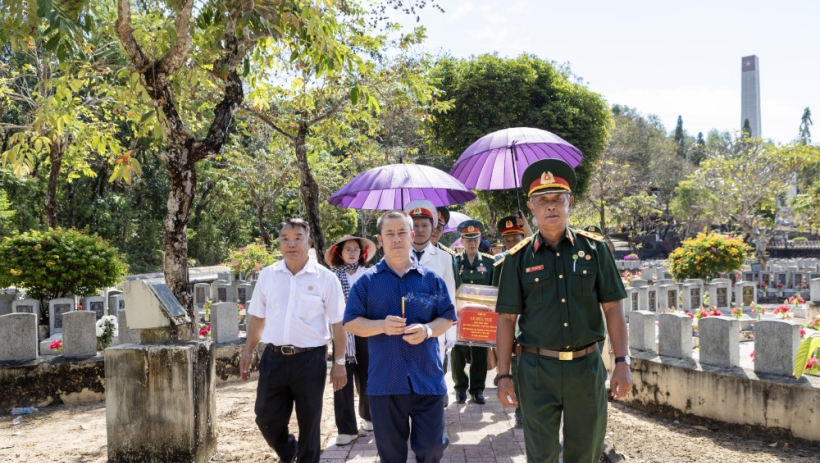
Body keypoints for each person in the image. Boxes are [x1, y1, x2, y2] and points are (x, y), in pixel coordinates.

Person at [494, 159, 632, 463]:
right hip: (535, 369)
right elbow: (506, 319)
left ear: (570, 203)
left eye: (558, 199)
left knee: (584, 453)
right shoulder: (517, 259)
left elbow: (613, 308)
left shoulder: (595, 250)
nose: (551, 206)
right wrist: (504, 375)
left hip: (586, 368)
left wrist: (622, 361)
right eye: (543, 201)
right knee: (541, 455)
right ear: (531, 208)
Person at [344, 211, 457, 463]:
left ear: (412, 235)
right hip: (386, 381)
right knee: (391, 456)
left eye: (402, 232)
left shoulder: (431, 280)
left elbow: (448, 317)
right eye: (390, 233)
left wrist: (428, 330)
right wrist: (381, 325)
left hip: (427, 378)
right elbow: (351, 322)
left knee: (432, 448)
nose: (397, 238)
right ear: (380, 239)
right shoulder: (367, 282)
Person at [240, 218, 348, 463]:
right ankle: (289, 453)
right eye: (285, 239)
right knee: (265, 416)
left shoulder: (325, 278)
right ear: (279, 244)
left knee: (309, 421)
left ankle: (307, 459)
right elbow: (258, 317)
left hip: (310, 359)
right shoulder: (268, 275)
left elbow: (338, 324)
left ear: (308, 242)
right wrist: (248, 351)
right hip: (273, 358)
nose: (291, 244)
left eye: (298, 238)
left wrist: (339, 362)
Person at [404, 200, 458, 406]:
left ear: (433, 227)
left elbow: (450, 296)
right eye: (415, 225)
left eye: (424, 225)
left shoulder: (444, 258)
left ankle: (433, 405)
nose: (419, 229)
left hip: (435, 326)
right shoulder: (397, 255)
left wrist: (451, 333)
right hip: (405, 324)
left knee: (433, 370)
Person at [326, 235, 378, 445]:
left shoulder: (370, 274)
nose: (352, 252)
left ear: (362, 252)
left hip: (365, 329)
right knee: (342, 378)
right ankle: (346, 428)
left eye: (356, 249)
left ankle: (370, 417)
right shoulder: (331, 277)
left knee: (368, 374)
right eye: (347, 249)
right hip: (341, 332)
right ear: (339, 253)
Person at [489, 214, 529, 426]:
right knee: (515, 368)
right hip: (512, 326)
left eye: (515, 238)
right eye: (507, 240)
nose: (511, 243)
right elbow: (496, 300)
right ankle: (520, 411)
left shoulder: (537, 257)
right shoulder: (501, 264)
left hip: (534, 325)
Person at [451, 219, 494, 405]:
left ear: (480, 239)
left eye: (475, 239)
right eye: (468, 239)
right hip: (460, 315)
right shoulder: (454, 261)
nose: (472, 243)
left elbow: (494, 289)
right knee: (457, 352)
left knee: (480, 354)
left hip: (482, 316)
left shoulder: (489, 263)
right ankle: (460, 387)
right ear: (462, 240)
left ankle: (477, 390)